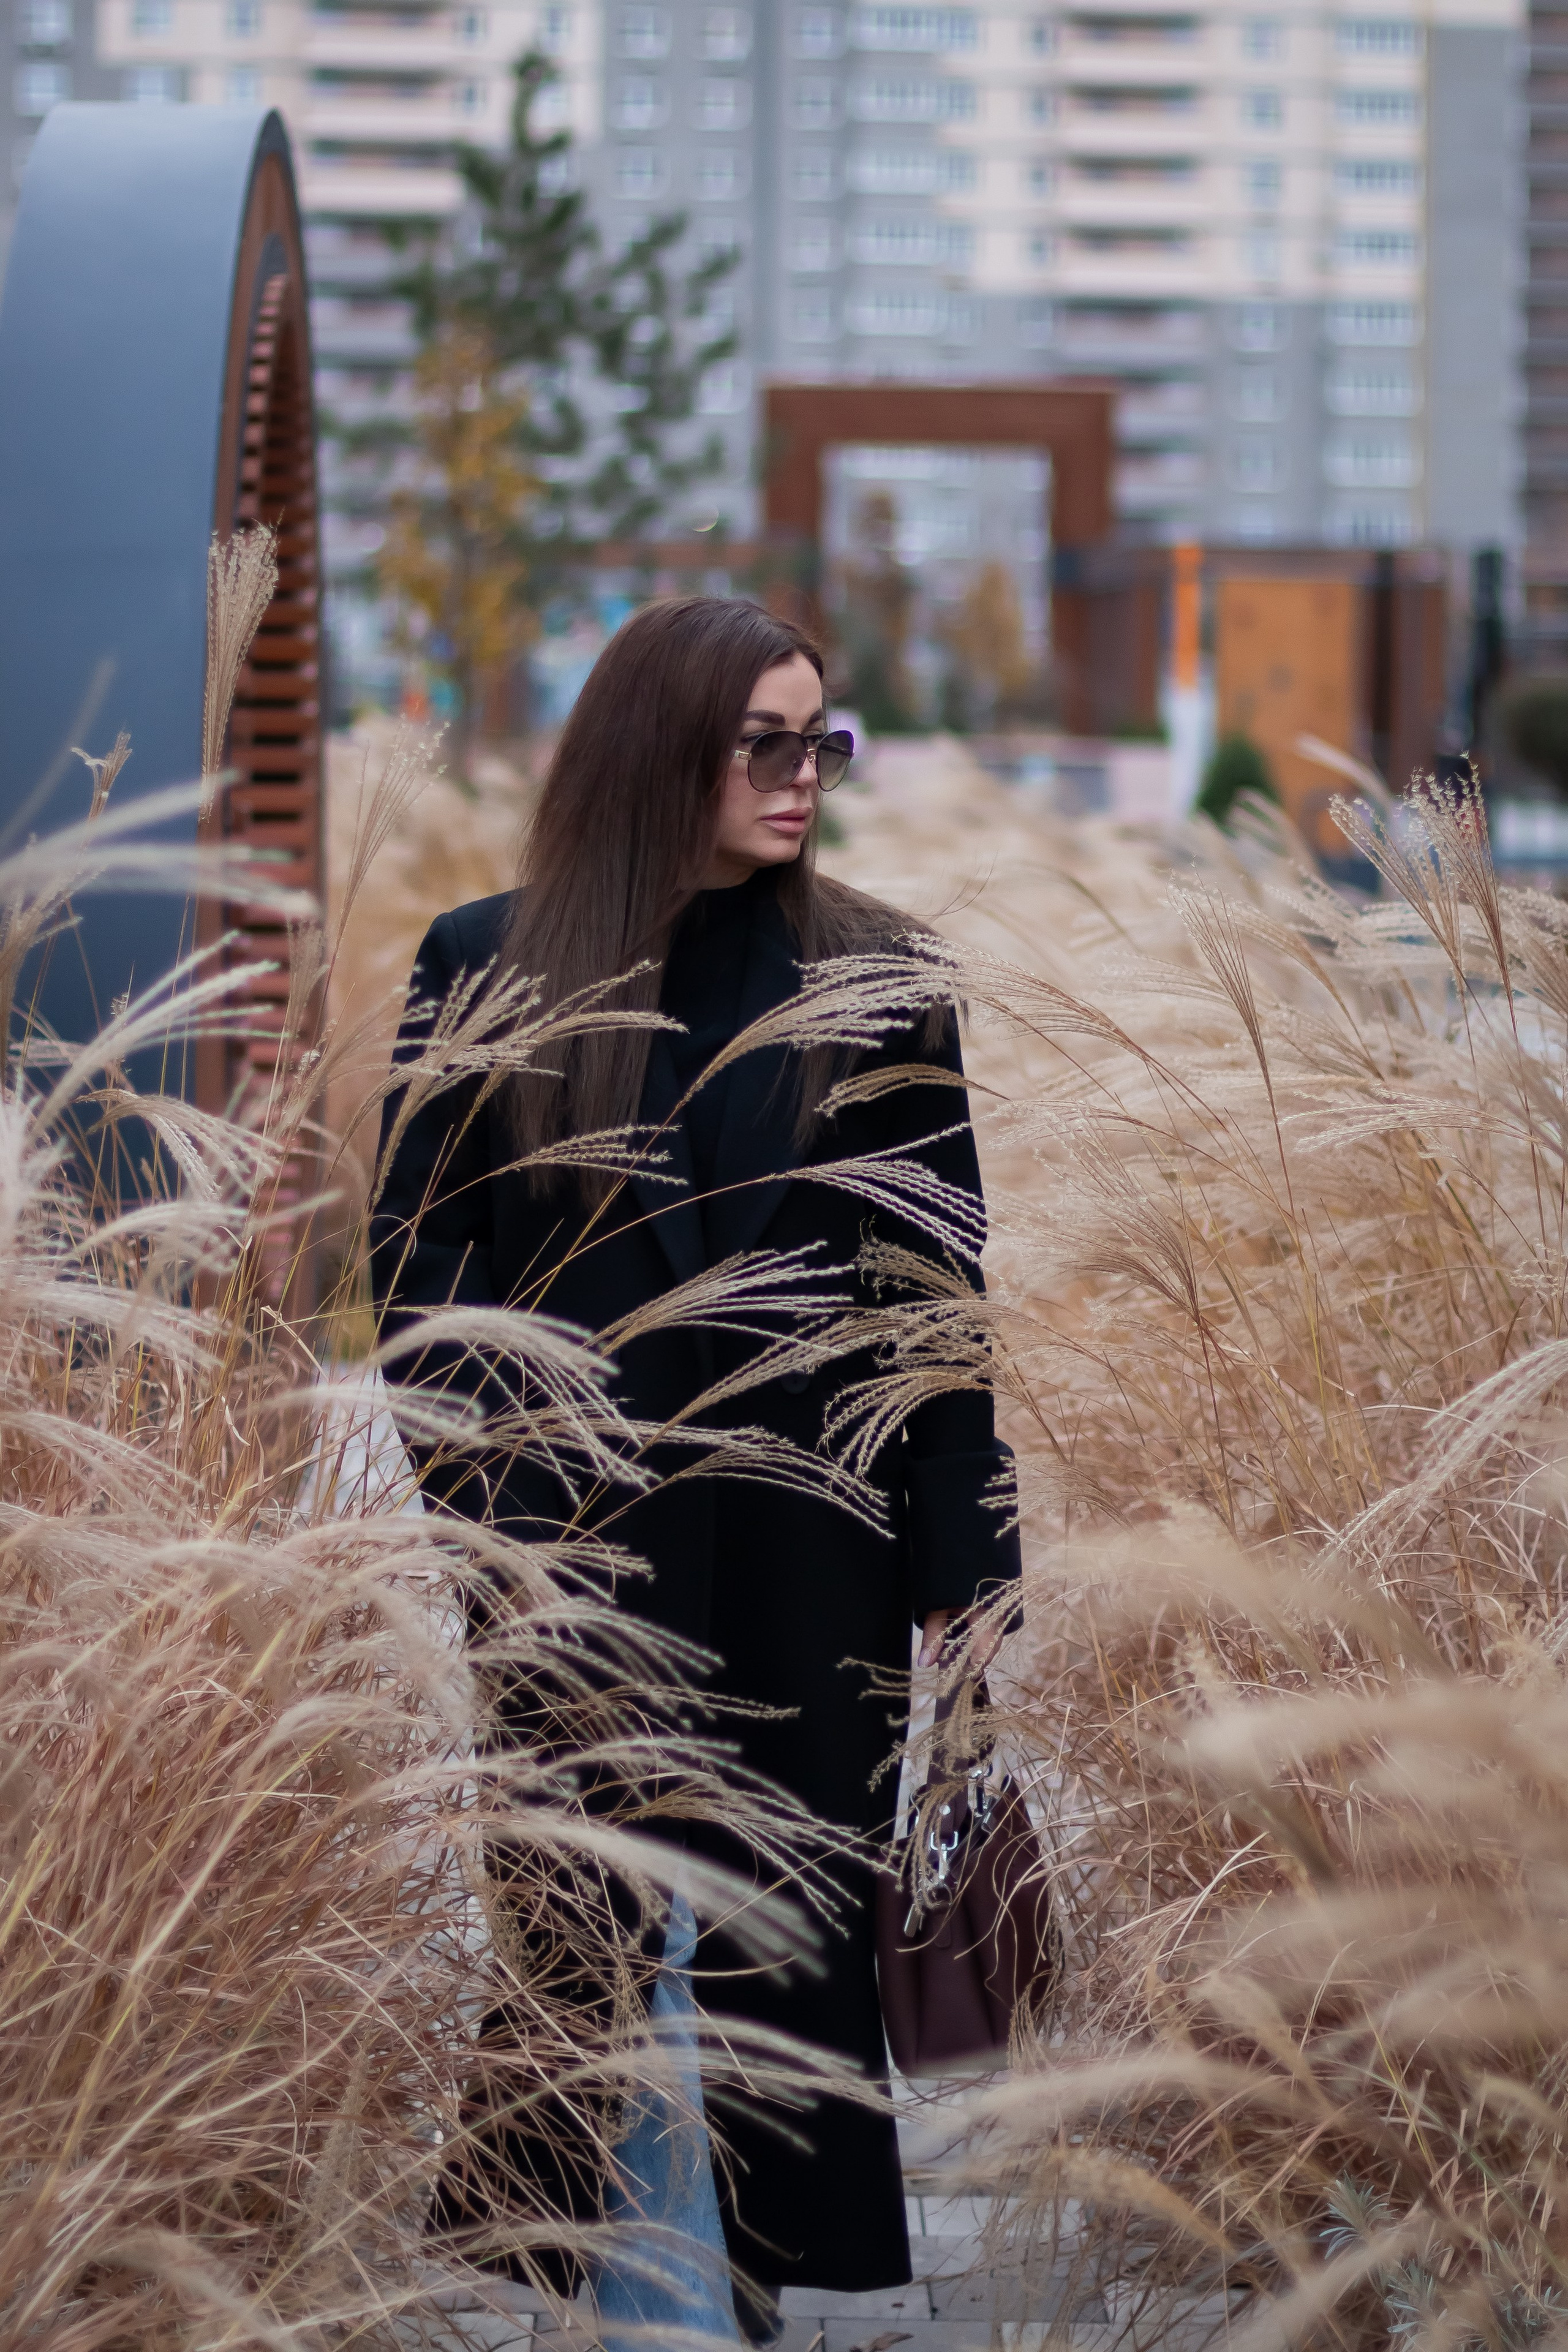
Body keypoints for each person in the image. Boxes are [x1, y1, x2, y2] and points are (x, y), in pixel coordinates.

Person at [371, 595, 1020, 2345]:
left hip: (823, 1566)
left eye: (826, 739)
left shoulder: (883, 978)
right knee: (583, 1938)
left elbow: (935, 1303)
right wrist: (495, 1530)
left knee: (776, 1944)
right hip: (576, 1562)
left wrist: (971, 1566)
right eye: (768, 743)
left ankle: (727, 2296)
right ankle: (607, 2292)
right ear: (664, 751)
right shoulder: (484, 965)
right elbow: (424, 1288)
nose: (807, 775)